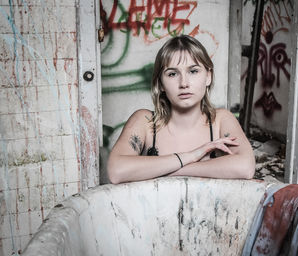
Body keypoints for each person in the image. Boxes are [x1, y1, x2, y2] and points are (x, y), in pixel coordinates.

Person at [107, 35, 255, 184]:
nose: (184, 83)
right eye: (172, 74)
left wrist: (173, 170)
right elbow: (116, 171)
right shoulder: (145, 121)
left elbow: (246, 167)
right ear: (161, 84)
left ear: (208, 77)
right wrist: (192, 155)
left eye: (193, 71)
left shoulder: (220, 120)